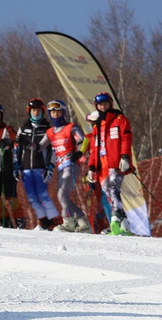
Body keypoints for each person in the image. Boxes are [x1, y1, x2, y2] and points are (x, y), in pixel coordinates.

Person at [37, 100, 91, 233]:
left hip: (71, 165)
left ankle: (68, 222)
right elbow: (39, 146)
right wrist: (24, 143)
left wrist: (78, 153)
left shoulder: (71, 127)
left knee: (62, 194)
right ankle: (83, 222)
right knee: (62, 196)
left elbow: (83, 140)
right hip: (61, 167)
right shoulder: (50, 132)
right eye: (53, 113)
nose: (56, 115)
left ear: (63, 113)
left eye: (58, 112)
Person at [86, 92, 135, 235]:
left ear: (110, 104)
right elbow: (94, 148)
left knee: (114, 189)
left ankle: (115, 219)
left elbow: (126, 139)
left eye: (105, 104)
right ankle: (125, 227)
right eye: (100, 105)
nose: (103, 107)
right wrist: (91, 167)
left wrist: (125, 157)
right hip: (102, 165)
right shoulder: (97, 125)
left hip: (116, 162)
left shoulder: (119, 119)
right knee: (108, 192)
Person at [16, 98, 58, 230]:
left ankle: (55, 220)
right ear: (29, 112)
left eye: (38, 110)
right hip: (26, 168)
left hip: (41, 167)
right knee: (31, 197)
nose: (36, 113)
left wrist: (50, 166)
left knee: (42, 194)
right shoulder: (23, 128)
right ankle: (44, 221)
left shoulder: (47, 129)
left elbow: (52, 149)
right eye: (33, 110)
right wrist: (16, 165)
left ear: (42, 112)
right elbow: (17, 148)